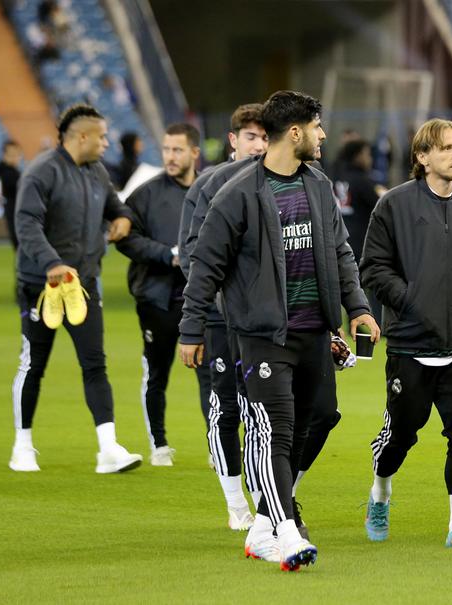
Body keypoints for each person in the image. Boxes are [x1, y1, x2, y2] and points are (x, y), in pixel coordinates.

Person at [179, 90, 379, 571]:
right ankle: (287, 531)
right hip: (262, 334)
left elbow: (340, 253)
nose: (323, 135)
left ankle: (261, 528)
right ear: (295, 132)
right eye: (317, 126)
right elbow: (204, 266)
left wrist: (357, 308)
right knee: (275, 430)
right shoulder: (237, 194)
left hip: (314, 332)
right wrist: (191, 330)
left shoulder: (318, 185)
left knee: (308, 425)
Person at [360, 118, 452, 550]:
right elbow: (374, 268)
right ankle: (380, 492)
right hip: (410, 344)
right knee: (401, 434)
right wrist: (412, 301)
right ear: (422, 156)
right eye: (446, 148)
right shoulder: (394, 205)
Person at [10, 103, 141, 474]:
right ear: (81, 137)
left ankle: (108, 449)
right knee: (33, 364)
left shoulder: (97, 171)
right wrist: (51, 263)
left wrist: (123, 219)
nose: (106, 142)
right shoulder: (42, 173)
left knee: (95, 363)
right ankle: (22, 446)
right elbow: (27, 224)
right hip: (42, 285)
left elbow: (118, 206)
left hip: (82, 284)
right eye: (101, 136)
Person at [178, 103, 267, 531]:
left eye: (265, 137)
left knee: (268, 411)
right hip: (220, 319)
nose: (259, 145)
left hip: (266, 320)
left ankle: (269, 500)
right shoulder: (209, 184)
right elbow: (193, 255)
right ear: (233, 141)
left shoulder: (282, 183)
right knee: (227, 406)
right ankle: (236, 505)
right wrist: (209, 309)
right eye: (251, 137)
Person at [116, 123, 206, 467]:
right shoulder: (145, 194)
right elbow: (125, 238)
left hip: (201, 301)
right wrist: (167, 254)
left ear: (194, 153)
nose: (170, 156)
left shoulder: (210, 190)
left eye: (178, 150)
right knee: (157, 372)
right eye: (166, 149)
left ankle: (217, 446)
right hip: (156, 298)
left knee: (210, 374)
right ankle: (159, 444)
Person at [332, 138, 382, 266]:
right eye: (367, 154)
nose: (369, 159)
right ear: (358, 156)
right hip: (359, 239)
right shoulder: (362, 180)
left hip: (338, 236)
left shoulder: (336, 176)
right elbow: (379, 208)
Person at [0, 140, 22, 249]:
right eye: (11, 155)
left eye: (17, 154)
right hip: (15, 214)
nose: (14, 158)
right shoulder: (8, 174)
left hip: (16, 213)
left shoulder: (13, 173)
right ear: (4, 156)